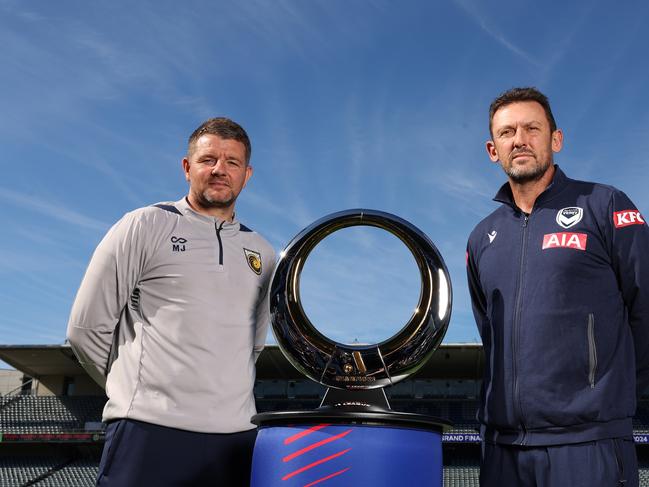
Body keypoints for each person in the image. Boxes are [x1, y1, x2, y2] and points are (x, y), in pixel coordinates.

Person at [67, 117, 276, 486]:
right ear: (187, 167)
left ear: (247, 174)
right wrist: (139, 391)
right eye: (208, 159)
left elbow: (252, 345)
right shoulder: (145, 225)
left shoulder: (262, 252)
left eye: (232, 162)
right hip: (149, 430)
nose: (219, 170)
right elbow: (86, 329)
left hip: (236, 438)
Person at [466, 87, 649, 486]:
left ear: (556, 139)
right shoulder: (482, 238)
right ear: (493, 150)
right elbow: (489, 331)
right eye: (507, 132)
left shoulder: (605, 205)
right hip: (502, 451)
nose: (520, 140)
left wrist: (602, 393)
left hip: (589, 444)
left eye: (532, 128)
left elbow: (645, 307)